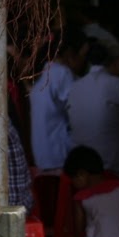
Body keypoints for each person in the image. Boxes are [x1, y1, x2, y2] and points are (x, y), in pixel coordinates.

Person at [67, 40, 119, 179]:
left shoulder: (75, 87)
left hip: (82, 162)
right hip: (112, 163)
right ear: (118, 62)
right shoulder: (117, 84)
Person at [27, 28, 89, 172]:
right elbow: (78, 111)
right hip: (59, 155)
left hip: (43, 154)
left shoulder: (45, 71)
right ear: (70, 54)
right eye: (83, 55)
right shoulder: (62, 74)